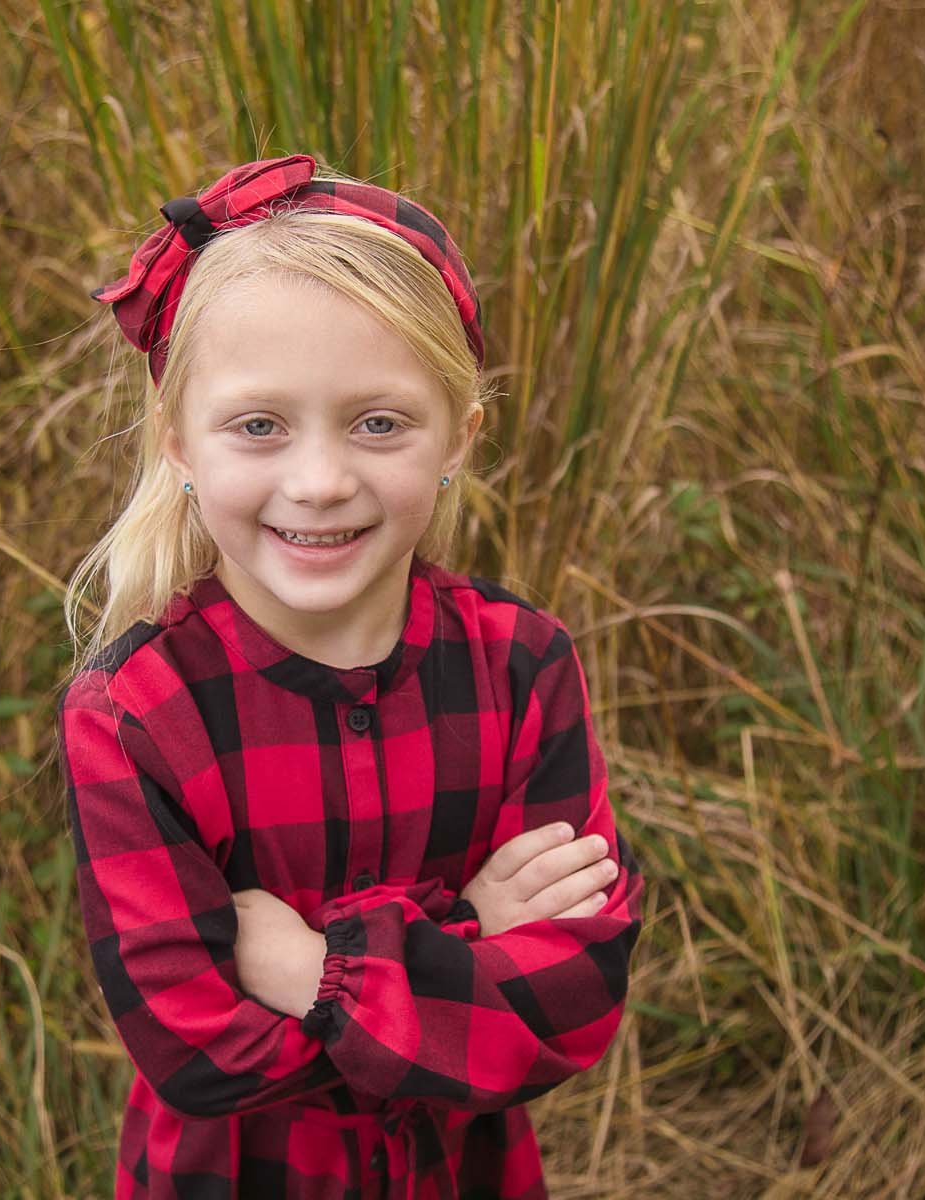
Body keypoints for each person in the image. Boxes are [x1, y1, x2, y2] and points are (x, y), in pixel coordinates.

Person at [54, 152, 644, 1199]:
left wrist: (301, 968)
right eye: (259, 426)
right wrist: (467, 944)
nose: (319, 482)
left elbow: (574, 998)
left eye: (379, 423)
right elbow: (197, 1053)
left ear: (458, 436)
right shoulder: (136, 717)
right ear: (178, 440)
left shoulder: (523, 664)